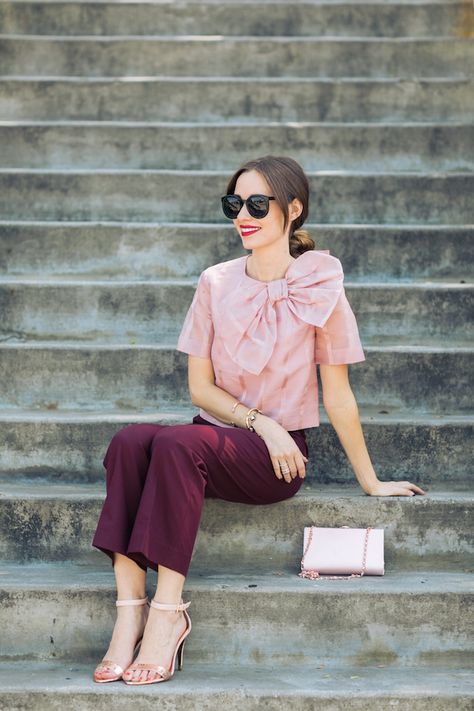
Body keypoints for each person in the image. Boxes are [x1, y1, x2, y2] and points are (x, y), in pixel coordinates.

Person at [91, 155, 426, 686]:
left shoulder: (321, 285)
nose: (242, 215)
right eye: (234, 204)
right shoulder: (216, 282)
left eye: (256, 204)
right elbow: (200, 390)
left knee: (178, 447)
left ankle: (168, 612)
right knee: (131, 441)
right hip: (223, 434)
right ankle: (129, 607)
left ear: (292, 209)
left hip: (278, 458)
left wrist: (371, 480)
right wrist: (257, 421)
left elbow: (337, 395)